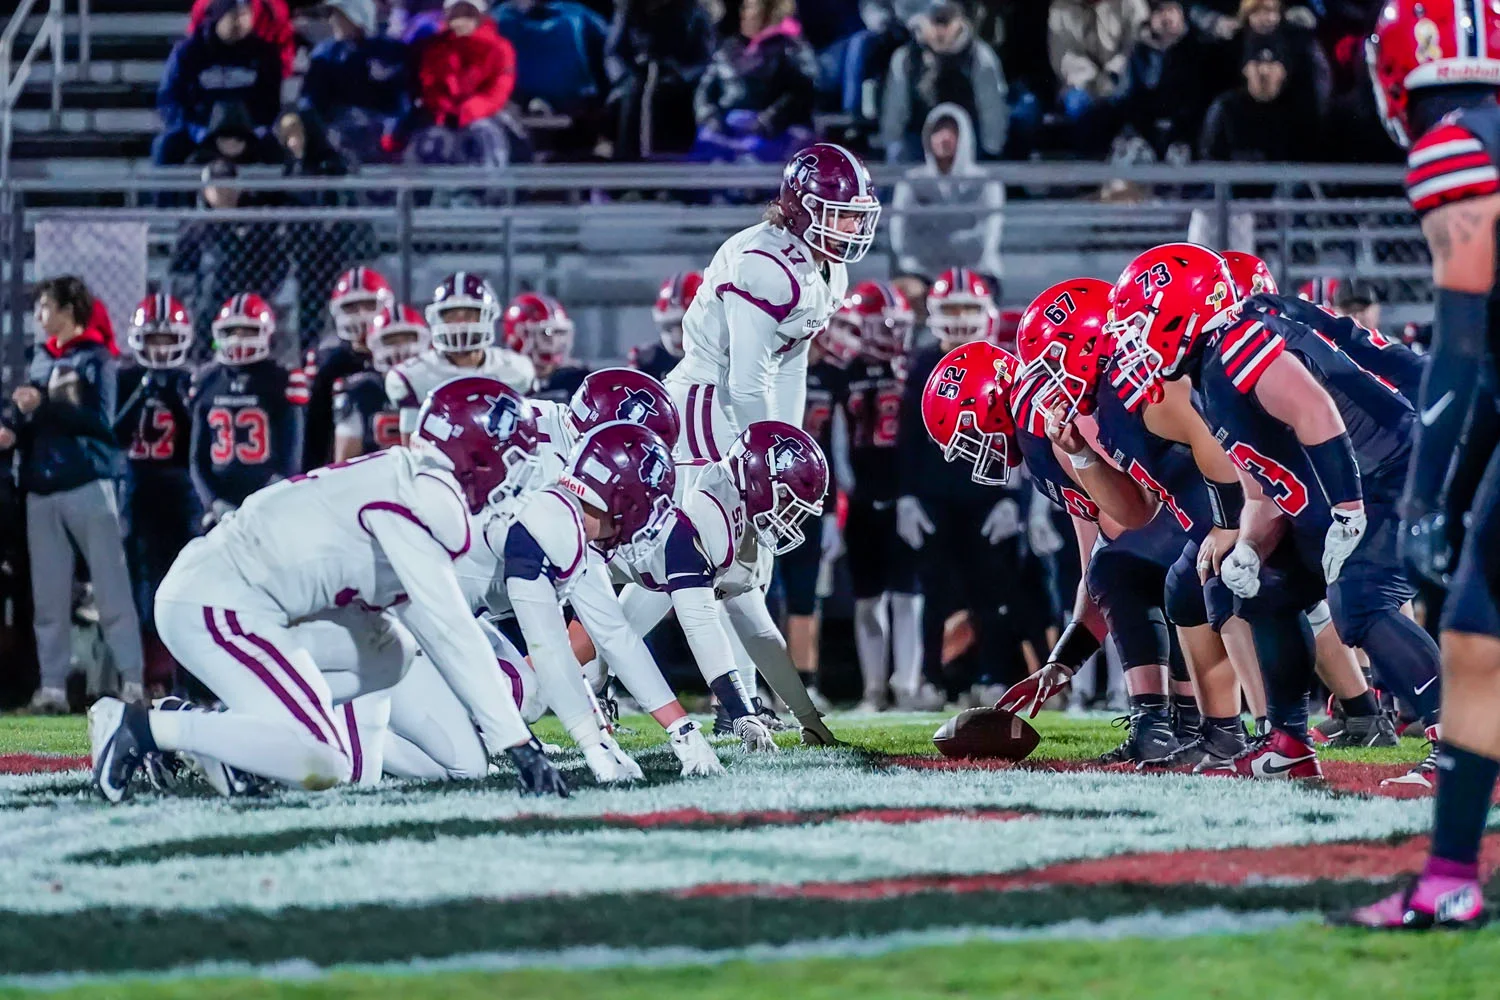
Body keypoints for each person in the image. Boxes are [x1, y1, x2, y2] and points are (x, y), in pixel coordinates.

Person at [87, 378, 567, 802]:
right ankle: (143, 727)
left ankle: (229, 737)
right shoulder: (428, 498)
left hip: (250, 600)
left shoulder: (411, 478)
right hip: (221, 600)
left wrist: (511, 735)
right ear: (477, 455)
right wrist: (518, 743)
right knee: (322, 760)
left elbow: (424, 620)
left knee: (390, 651)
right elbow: (450, 627)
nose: (519, 475)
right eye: (515, 458)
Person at [1108, 242, 1433, 781]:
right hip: (1359, 477)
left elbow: (1315, 409)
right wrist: (1252, 547)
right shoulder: (1207, 371)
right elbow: (1264, 488)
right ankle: (1288, 741)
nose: (1135, 342)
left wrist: (1349, 512)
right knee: (1251, 585)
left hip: (1393, 467)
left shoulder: (1237, 337)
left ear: (1178, 309)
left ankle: (1464, 741)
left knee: (1361, 599)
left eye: (1142, 322)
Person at [1335, 0, 1500, 930]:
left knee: (1479, 624)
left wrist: (1428, 498)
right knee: (1476, 628)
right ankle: (1448, 878)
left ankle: (1448, 879)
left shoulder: (1457, 143)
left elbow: (1463, 345)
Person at [576, 420, 841, 746]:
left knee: (602, 658)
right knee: (575, 659)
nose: (787, 517)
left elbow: (760, 633)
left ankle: (588, 701)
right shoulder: (704, 513)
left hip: (646, 570)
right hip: (583, 548)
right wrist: (742, 715)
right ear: (758, 481)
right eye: (785, 500)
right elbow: (701, 626)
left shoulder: (740, 515)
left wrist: (808, 719)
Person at [662, 142, 877, 470]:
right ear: (804, 209)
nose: (854, 228)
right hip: (707, 401)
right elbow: (745, 383)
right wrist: (769, 457)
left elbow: (790, 364)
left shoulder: (831, 270)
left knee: (766, 514)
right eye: (843, 214)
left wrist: (789, 440)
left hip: (738, 403)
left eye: (858, 216)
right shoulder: (767, 266)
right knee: (713, 517)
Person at [896, 269, 1031, 705]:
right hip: (935, 494)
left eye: (967, 308)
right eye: (950, 309)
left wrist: (1013, 496)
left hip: (988, 493)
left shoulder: (1002, 362)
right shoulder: (921, 364)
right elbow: (909, 436)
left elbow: (1020, 433)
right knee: (935, 592)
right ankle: (935, 679)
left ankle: (993, 674)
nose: (958, 318)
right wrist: (908, 495)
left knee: (994, 592)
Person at [11, 277, 143, 714]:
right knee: (48, 597)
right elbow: (34, 420)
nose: (40, 316)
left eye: (46, 307)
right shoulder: (38, 359)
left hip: (88, 483)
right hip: (43, 486)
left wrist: (43, 406)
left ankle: (133, 681)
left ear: (70, 309)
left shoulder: (97, 359)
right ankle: (52, 688)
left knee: (111, 590)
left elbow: (102, 423)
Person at [827, 283, 924, 713]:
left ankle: (907, 684)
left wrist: (914, 491)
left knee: (907, 596)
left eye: (895, 325)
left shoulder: (914, 369)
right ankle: (873, 689)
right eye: (882, 325)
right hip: (863, 496)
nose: (892, 334)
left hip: (905, 495)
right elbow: (834, 440)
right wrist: (846, 490)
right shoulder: (842, 374)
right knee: (869, 599)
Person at [114, 294, 201, 696]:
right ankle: (150, 675)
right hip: (139, 488)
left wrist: (177, 398)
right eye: (153, 339)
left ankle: (184, 675)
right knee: (143, 583)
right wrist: (144, 392)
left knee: (184, 579)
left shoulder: (191, 379)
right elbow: (114, 433)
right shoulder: (126, 378)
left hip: (181, 488)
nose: (161, 348)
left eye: (168, 339)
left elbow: (197, 441)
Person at [190, 295, 306, 529]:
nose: (237, 340)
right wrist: (213, 501)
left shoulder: (283, 378)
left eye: (247, 332)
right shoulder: (206, 380)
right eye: (231, 332)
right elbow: (196, 457)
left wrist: (273, 493)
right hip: (220, 499)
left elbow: (292, 452)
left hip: (268, 495)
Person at [386, 273, 536, 441]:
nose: (461, 324)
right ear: (437, 320)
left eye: (470, 315)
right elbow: (412, 452)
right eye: (451, 316)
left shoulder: (515, 369)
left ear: (487, 316)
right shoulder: (414, 375)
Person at [155, 0, 284, 166]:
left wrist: (255, 130)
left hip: (248, 133)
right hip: (199, 131)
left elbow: (271, 101)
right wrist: (194, 130)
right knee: (165, 146)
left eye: (245, 15)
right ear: (219, 16)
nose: (240, 22)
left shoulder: (265, 54)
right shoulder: (188, 52)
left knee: (278, 149)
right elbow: (169, 98)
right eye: (234, 15)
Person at [389, 0, 514, 167]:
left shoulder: (499, 48)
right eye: (457, 13)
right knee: (432, 139)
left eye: (468, 13)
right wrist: (446, 108)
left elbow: (499, 87)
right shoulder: (436, 47)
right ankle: (429, 190)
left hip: (486, 113)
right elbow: (430, 85)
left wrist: (471, 109)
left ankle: (489, 187)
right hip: (443, 115)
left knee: (484, 134)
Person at [692, 0, 819, 164]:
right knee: (706, 142)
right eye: (743, 7)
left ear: (770, 11)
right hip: (726, 130)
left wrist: (765, 122)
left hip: (774, 132)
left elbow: (802, 93)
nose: (743, 14)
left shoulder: (790, 47)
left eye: (750, 7)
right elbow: (704, 92)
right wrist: (710, 117)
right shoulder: (726, 50)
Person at [880, 0, 1008, 163]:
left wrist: (991, 149)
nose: (940, 31)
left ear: (960, 21)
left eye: (946, 22)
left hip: (969, 140)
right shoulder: (905, 58)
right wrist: (891, 142)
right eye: (935, 22)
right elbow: (895, 112)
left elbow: (992, 111)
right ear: (922, 21)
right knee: (897, 152)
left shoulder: (981, 57)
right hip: (919, 141)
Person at [890, 103, 1004, 281]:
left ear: (964, 136)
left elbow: (984, 243)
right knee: (908, 292)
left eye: (952, 131)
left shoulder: (987, 182)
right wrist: (952, 247)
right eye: (937, 131)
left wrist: (934, 244)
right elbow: (902, 241)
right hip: (920, 272)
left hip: (976, 271)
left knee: (967, 301)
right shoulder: (910, 181)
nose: (944, 138)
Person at [302, 267, 394, 471]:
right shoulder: (326, 360)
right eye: (351, 307)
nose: (361, 314)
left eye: (369, 304)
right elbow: (314, 427)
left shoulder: (399, 351)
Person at [496, 0, 611, 159]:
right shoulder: (499, 18)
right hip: (516, 105)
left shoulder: (578, 15)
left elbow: (610, 48)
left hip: (574, 104)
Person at [300, 0, 411, 163]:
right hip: (337, 131)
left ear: (358, 18)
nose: (332, 21)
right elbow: (311, 99)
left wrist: (390, 129)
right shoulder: (325, 54)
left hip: (379, 134)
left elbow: (400, 100)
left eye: (340, 16)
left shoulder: (389, 52)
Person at [604, 0, 715, 160]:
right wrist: (625, 82)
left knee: (671, 152)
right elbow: (614, 53)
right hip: (635, 90)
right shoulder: (629, 9)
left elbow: (703, 58)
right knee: (629, 148)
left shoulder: (694, 11)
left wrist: (679, 77)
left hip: (677, 95)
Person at [1047, 0, 1148, 155]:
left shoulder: (1131, 4)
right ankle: (1088, 168)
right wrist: (1094, 80)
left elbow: (1137, 45)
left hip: (1123, 80)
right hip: (1082, 84)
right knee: (1077, 106)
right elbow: (1063, 56)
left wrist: (1113, 73)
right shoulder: (1060, 8)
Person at [1198, 32, 1318, 162]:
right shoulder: (1225, 108)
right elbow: (1209, 159)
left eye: (1271, 64)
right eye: (1256, 64)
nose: (1264, 71)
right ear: (1245, 70)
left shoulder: (1298, 111)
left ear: (1284, 72)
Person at [333, 305, 430, 461]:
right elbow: (344, 465)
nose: (400, 348)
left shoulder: (437, 382)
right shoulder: (361, 391)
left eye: (408, 338)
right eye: (390, 340)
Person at [1115, 0, 1209, 161]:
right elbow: (1128, 98)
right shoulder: (1138, 52)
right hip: (1144, 132)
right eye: (1160, 11)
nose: (1166, 17)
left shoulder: (1199, 49)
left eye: (1171, 10)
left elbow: (1199, 99)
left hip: (1186, 133)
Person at [503, 292, 590, 402]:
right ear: (517, 335)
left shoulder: (577, 381)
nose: (555, 341)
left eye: (559, 332)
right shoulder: (502, 378)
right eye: (546, 332)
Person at [629, 270, 699, 382]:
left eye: (684, 325)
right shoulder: (647, 361)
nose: (677, 336)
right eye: (669, 326)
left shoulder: (729, 359)